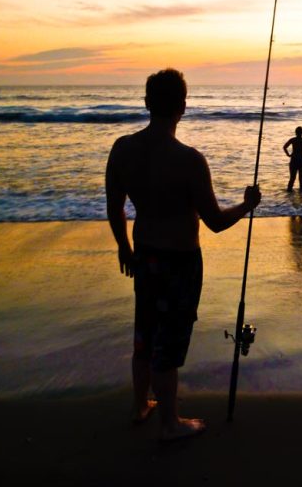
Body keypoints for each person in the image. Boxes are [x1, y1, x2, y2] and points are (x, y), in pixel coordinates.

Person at [105, 68, 261, 441]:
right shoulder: (189, 160)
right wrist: (246, 204)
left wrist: (123, 246)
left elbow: (114, 207)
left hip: (144, 255)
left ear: (146, 103)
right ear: (183, 108)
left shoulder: (122, 149)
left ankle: (141, 405)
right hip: (179, 262)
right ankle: (170, 423)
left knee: (145, 332)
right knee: (170, 340)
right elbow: (215, 222)